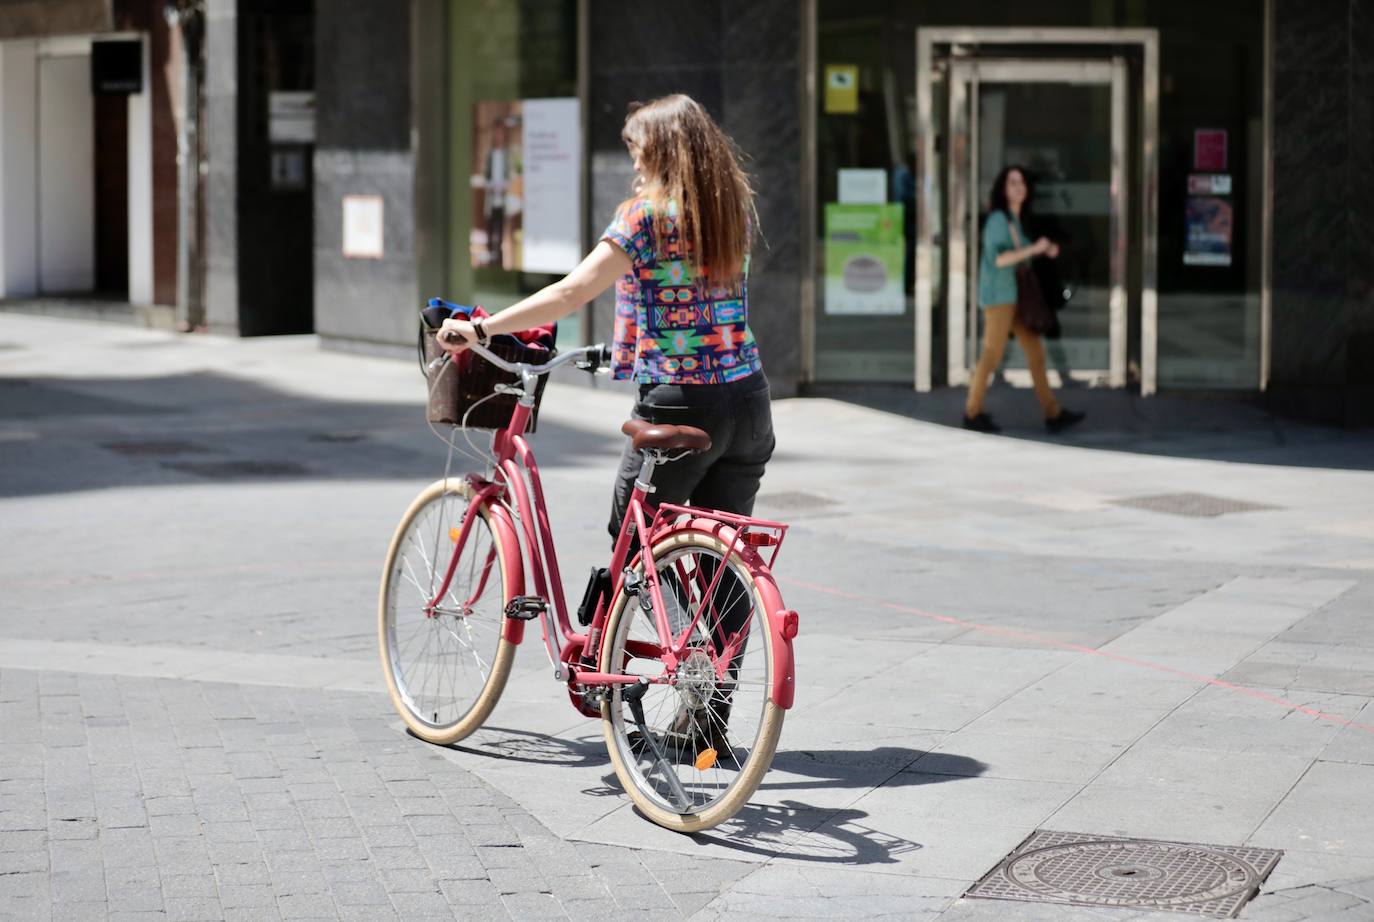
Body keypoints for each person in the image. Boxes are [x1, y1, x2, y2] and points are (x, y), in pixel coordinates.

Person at [437, 94, 772, 749]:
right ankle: (707, 725)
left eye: (639, 154)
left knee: (635, 533)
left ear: (662, 154)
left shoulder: (645, 219)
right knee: (717, 559)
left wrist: (480, 326)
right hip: (749, 401)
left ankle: (690, 651)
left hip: (681, 400)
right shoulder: (734, 211)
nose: (635, 167)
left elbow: (571, 291)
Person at [963, 165, 1084, 435]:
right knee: (991, 355)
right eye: (1012, 182)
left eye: (1022, 183)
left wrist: (1045, 249)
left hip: (1017, 298)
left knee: (1036, 355)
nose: (1019, 187)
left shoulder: (1014, 220)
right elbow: (999, 259)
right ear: (1002, 189)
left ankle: (1053, 414)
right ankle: (972, 412)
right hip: (999, 297)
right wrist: (1034, 248)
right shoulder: (997, 220)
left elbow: (1022, 253)